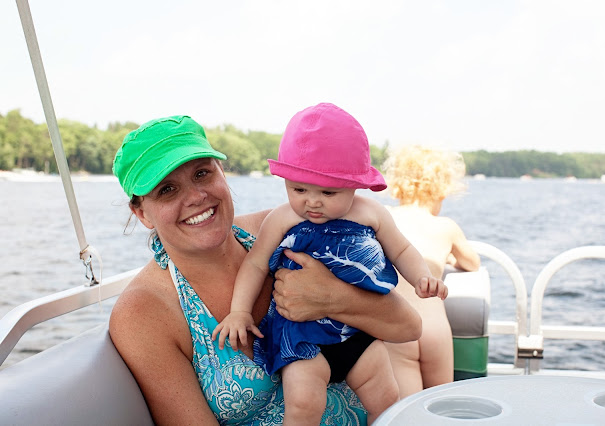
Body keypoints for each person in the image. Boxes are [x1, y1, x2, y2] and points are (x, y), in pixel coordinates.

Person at [109, 115, 423, 425]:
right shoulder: (143, 311)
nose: (196, 196)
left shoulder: (285, 229)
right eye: (167, 190)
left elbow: (409, 328)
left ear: (222, 173)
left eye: (202, 173)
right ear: (142, 213)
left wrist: (333, 298)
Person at [213, 103, 447, 425]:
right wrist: (239, 311)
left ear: (355, 185)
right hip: (302, 336)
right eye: (298, 189)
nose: (312, 201)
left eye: (328, 192)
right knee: (303, 406)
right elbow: (255, 265)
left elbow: (402, 250)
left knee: (386, 399)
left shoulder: (371, 213)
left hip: (358, 332)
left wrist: (422, 277)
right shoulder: (282, 218)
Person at [382, 145, 481, 397]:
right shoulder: (446, 227)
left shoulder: (385, 218)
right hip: (436, 328)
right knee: (439, 404)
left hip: (399, 326)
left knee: (405, 409)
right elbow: (472, 263)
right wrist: (448, 255)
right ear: (442, 190)